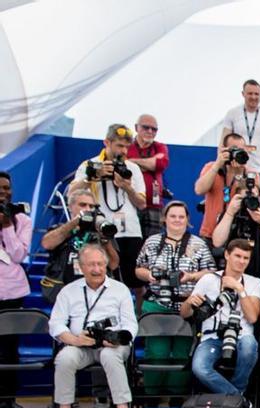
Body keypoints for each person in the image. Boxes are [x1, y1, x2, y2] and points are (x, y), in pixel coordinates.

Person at [46, 243, 137, 408]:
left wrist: (118, 338)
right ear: (81, 266)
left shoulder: (119, 290)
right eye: (91, 265)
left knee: (109, 356)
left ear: (105, 266)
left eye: (100, 264)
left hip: (113, 345)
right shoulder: (68, 291)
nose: (96, 269)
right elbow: (55, 323)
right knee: (64, 358)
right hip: (80, 344)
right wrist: (73, 339)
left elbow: (130, 324)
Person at [135, 201, 216, 396]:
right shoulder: (152, 241)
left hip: (186, 304)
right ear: (164, 219)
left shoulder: (198, 244)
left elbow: (211, 271)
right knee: (156, 352)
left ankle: (176, 396)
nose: (177, 220)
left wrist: (191, 276)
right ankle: (152, 394)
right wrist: (149, 275)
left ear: (188, 220)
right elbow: (138, 268)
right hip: (157, 304)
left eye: (181, 216)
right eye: (173, 216)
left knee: (182, 353)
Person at [181, 239, 260, 404]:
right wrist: (190, 302)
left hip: (241, 334)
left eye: (245, 258)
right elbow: (184, 313)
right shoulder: (209, 279)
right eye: (237, 256)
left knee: (249, 347)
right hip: (212, 335)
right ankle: (240, 400)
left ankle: (237, 393)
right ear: (227, 255)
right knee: (199, 368)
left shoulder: (254, 282)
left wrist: (240, 290)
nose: (241, 261)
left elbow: (253, 317)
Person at [68, 124, 147, 293]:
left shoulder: (132, 168)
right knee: (104, 274)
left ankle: (138, 316)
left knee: (134, 280)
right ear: (107, 142)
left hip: (130, 232)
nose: (124, 151)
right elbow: (72, 193)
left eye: (127, 146)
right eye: (119, 145)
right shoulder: (90, 165)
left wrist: (127, 186)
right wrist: (92, 177)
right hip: (101, 229)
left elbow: (142, 203)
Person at [39, 190, 120, 301]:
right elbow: (47, 244)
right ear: (70, 207)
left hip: (95, 291)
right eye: (82, 205)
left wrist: (106, 241)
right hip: (64, 290)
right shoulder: (60, 229)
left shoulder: (102, 231)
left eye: (91, 206)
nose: (87, 209)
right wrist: (75, 222)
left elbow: (113, 264)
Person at [209, 180, 260, 289]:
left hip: (259, 276)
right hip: (232, 277)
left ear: (259, 197)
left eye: (253, 196)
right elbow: (217, 242)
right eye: (246, 197)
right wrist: (229, 213)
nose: (250, 200)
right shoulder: (230, 214)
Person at [0, 171, 32, 408]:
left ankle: (8, 396)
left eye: (7, 188)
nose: (4, 192)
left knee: (9, 346)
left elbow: (18, 255)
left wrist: (8, 226)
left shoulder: (22, 220)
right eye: (0, 188)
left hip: (12, 290)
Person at [219, 79, 260, 187]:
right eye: (250, 93)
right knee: (235, 202)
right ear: (243, 94)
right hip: (236, 169)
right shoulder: (232, 113)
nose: (253, 97)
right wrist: (221, 165)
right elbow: (223, 143)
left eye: (256, 94)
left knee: (259, 204)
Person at [195, 132, 253, 240]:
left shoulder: (249, 173)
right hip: (209, 234)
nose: (237, 153)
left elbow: (248, 200)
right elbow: (199, 190)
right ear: (224, 149)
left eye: (241, 150)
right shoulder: (211, 167)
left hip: (236, 237)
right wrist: (217, 164)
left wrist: (239, 174)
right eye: (234, 149)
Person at [126, 114, 169, 237]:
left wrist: (134, 162)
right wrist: (149, 163)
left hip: (153, 206)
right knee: (131, 244)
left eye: (154, 129)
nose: (150, 131)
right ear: (136, 128)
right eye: (146, 127)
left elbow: (160, 164)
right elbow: (124, 164)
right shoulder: (127, 146)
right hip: (130, 204)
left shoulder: (160, 147)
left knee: (152, 246)